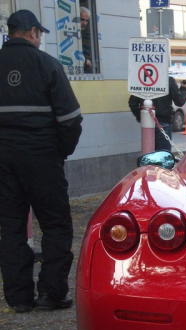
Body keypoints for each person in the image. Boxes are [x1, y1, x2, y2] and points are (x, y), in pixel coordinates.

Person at [0, 10, 82, 312]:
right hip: (43, 158)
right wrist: (59, 151)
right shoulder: (47, 65)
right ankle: (51, 293)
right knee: (56, 225)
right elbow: (71, 120)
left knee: (10, 229)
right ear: (33, 32)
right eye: (39, 34)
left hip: (4, 162)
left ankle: (19, 299)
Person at [128, 77, 186, 152]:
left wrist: (141, 117)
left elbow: (132, 103)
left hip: (147, 124)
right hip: (164, 122)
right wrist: (183, 89)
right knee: (163, 156)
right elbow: (179, 102)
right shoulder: (168, 80)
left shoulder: (143, 81)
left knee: (148, 153)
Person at [80, 6, 92, 73]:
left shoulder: (86, 36)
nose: (84, 23)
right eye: (82, 19)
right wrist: (85, 61)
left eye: (86, 21)